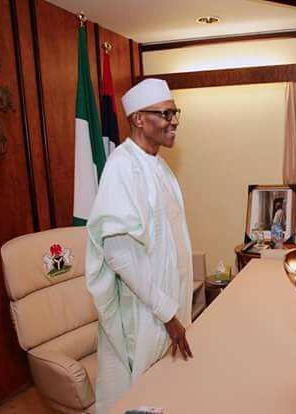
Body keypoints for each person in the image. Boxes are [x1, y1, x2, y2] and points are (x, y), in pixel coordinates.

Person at [85, 78, 194, 413]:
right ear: (138, 119)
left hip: (167, 306)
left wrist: (175, 310)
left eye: (175, 112)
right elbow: (120, 254)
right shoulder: (121, 167)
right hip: (144, 312)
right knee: (140, 392)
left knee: (166, 386)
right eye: (165, 113)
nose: (173, 120)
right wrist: (166, 313)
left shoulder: (160, 168)